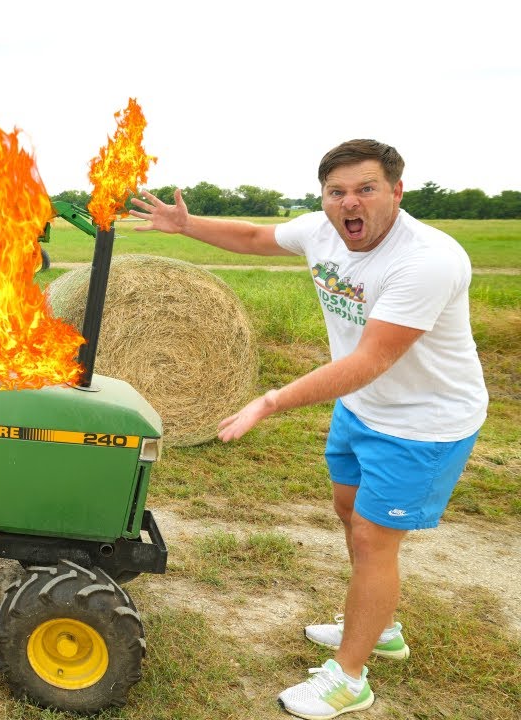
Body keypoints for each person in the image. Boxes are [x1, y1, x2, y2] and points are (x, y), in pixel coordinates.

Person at [130, 139, 487, 719]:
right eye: (337, 192)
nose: (350, 203)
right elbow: (251, 238)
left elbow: (369, 359)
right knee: (348, 511)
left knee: (374, 540)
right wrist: (185, 225)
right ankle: (382, 626)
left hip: (424, 422)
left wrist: (270, 401)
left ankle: (349, 677)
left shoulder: (427, 260)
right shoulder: (321, 231)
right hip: (361, 409)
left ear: (396, 192)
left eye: (366, 189)